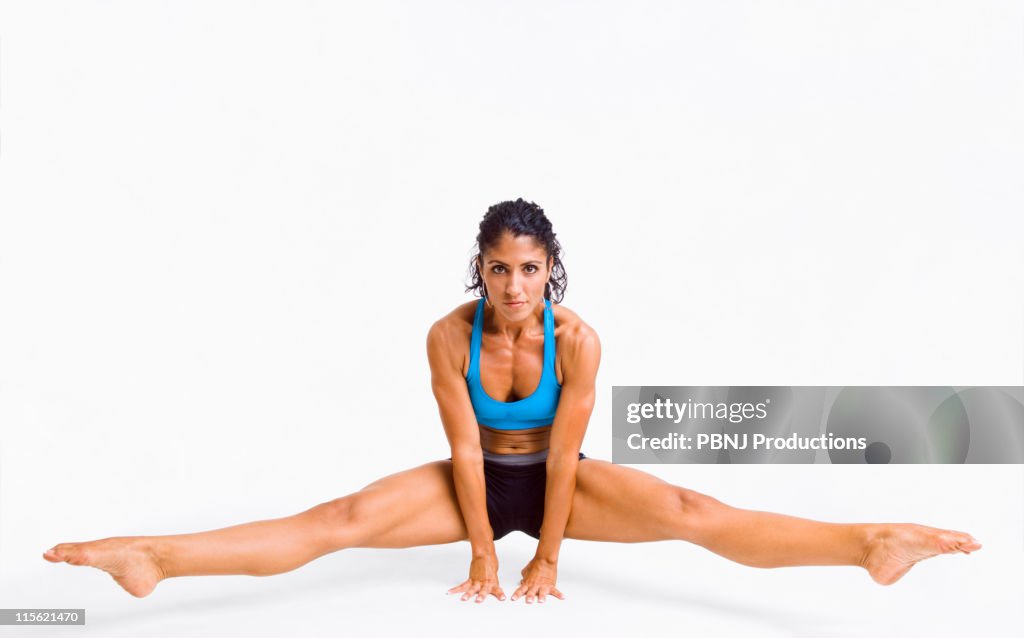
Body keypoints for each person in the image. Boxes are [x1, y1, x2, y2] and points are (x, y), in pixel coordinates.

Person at [43, 198, 982, 603]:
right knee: (339, 517)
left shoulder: (578, 341)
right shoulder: (447, 336)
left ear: (550, 270)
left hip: (561, 484)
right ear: (481, 268)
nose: (515, 284)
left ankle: (869, 543)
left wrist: (548, 561)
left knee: (698, 512)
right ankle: (155, 556)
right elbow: (460, 452)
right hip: (475, 486)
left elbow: (567, 459)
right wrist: (488, 553)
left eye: (531, 269)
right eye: (500, 268)